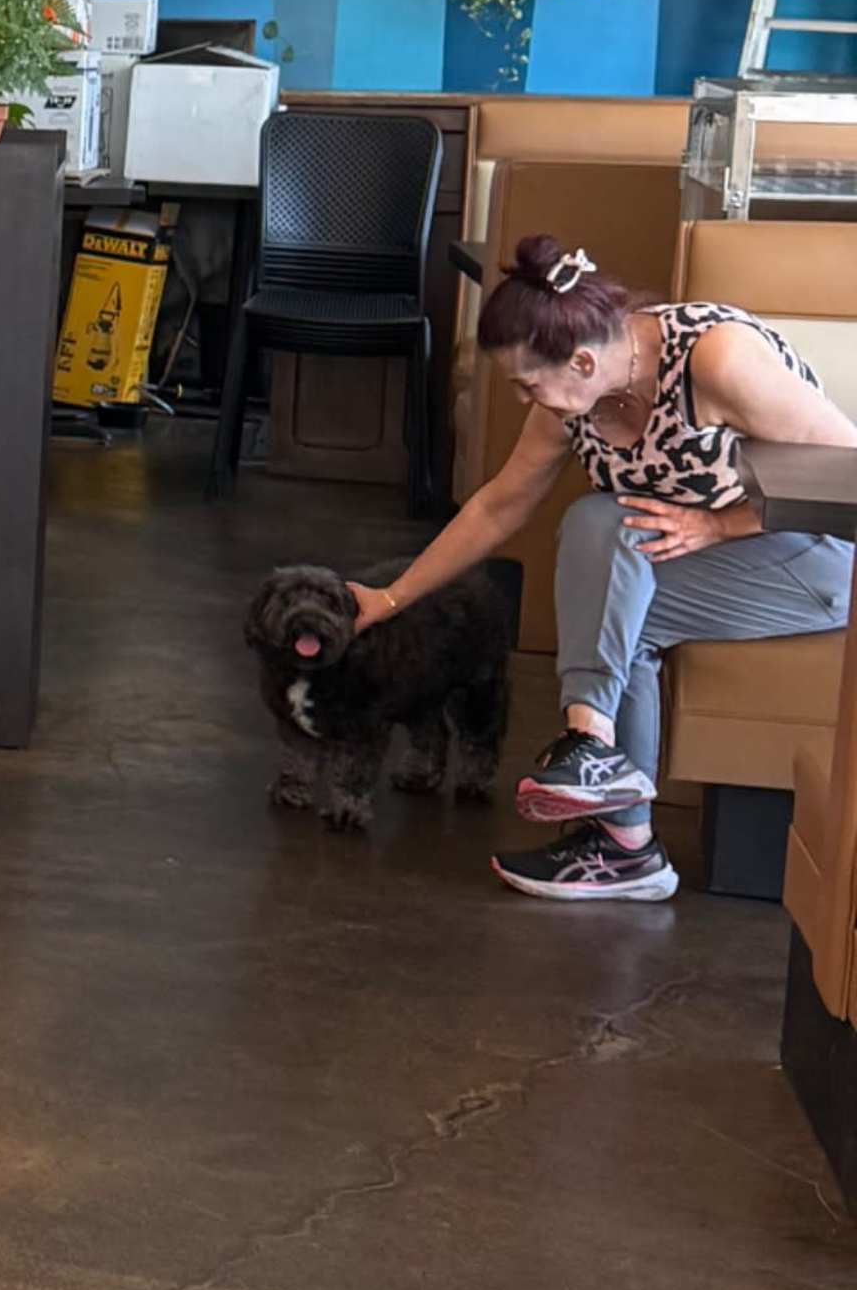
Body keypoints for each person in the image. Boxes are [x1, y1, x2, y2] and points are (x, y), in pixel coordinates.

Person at [348, 235, 857, 905]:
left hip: (814, 551)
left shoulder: (716, 359)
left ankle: (609, 805)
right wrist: (390, 597)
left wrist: (719, 524)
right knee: (601, 536)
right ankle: (616, 819)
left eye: (530, 383)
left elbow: (844, 476)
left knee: (608, 553)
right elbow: (499, 506)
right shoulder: (578, 401)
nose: (530, 397)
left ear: (582, 359)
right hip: (706, 557)